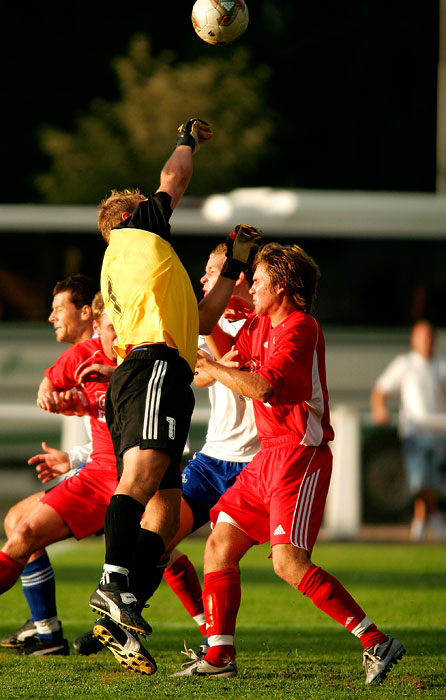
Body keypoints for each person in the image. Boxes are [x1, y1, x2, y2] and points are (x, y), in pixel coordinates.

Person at [174, 242, 405, 685]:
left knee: (288, 563)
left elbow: (261, 388)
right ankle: (220, 654)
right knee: (219, 544)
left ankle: (375, 640)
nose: (252, 286)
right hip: (269, 456)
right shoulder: (258, 323)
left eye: (258, 279)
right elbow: (209, 370)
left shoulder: (302, 328)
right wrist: (213, 361)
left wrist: (216, 367)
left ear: (283, 287)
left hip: (300, 454)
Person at [88, 117, 262, 675]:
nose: (157, 206)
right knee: (139, 484)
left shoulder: (148, 273)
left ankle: (121, 610)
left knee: (162, 513)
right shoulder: (136, 234)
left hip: (157, 371)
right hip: (153, 368)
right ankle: (113, 587)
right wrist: (185, 137)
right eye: (145, 204)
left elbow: (205, 317)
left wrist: (234, 261)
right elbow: (175, 177)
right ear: (126, 217)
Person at [0, 293, 118, 656]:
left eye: (58, 308)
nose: (51, 316)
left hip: (136, 479)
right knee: (21, 525)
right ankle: (48, 631)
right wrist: (72, 449)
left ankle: (212, 638)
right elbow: (53, 389)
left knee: (173, 551)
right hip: (99, 472)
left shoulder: (136, 360)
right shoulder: (81, 359)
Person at [370, 320, 446, 541]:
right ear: (414, 339)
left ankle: (420, 522)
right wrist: (379, 409)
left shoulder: (441, 366)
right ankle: (434, 518)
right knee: (418, 481)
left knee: (432, 481)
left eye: (430, 337)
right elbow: (380, 390)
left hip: (438, 433)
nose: (427, 341)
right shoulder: (404, 364)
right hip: (414, 432)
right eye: (422, 336)